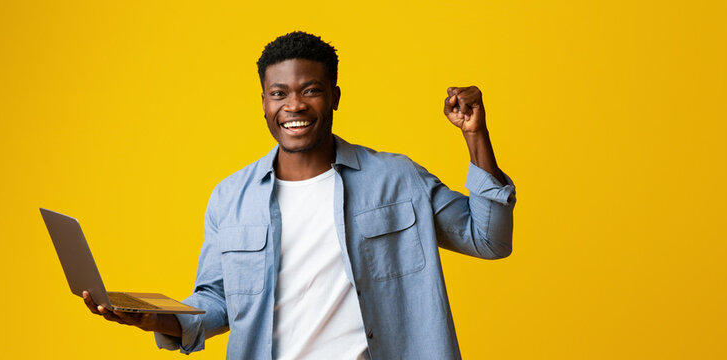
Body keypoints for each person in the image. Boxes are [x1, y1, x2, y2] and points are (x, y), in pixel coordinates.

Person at [82, 31, 516, 359]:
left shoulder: (398, 178)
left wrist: (475, 136)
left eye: (310, 90)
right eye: (279, 93)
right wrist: (152, 317)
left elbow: (488, 239)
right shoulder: (231, 198)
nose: (294, 106)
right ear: (265, 103)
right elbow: (217, 302)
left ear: (334, 97)